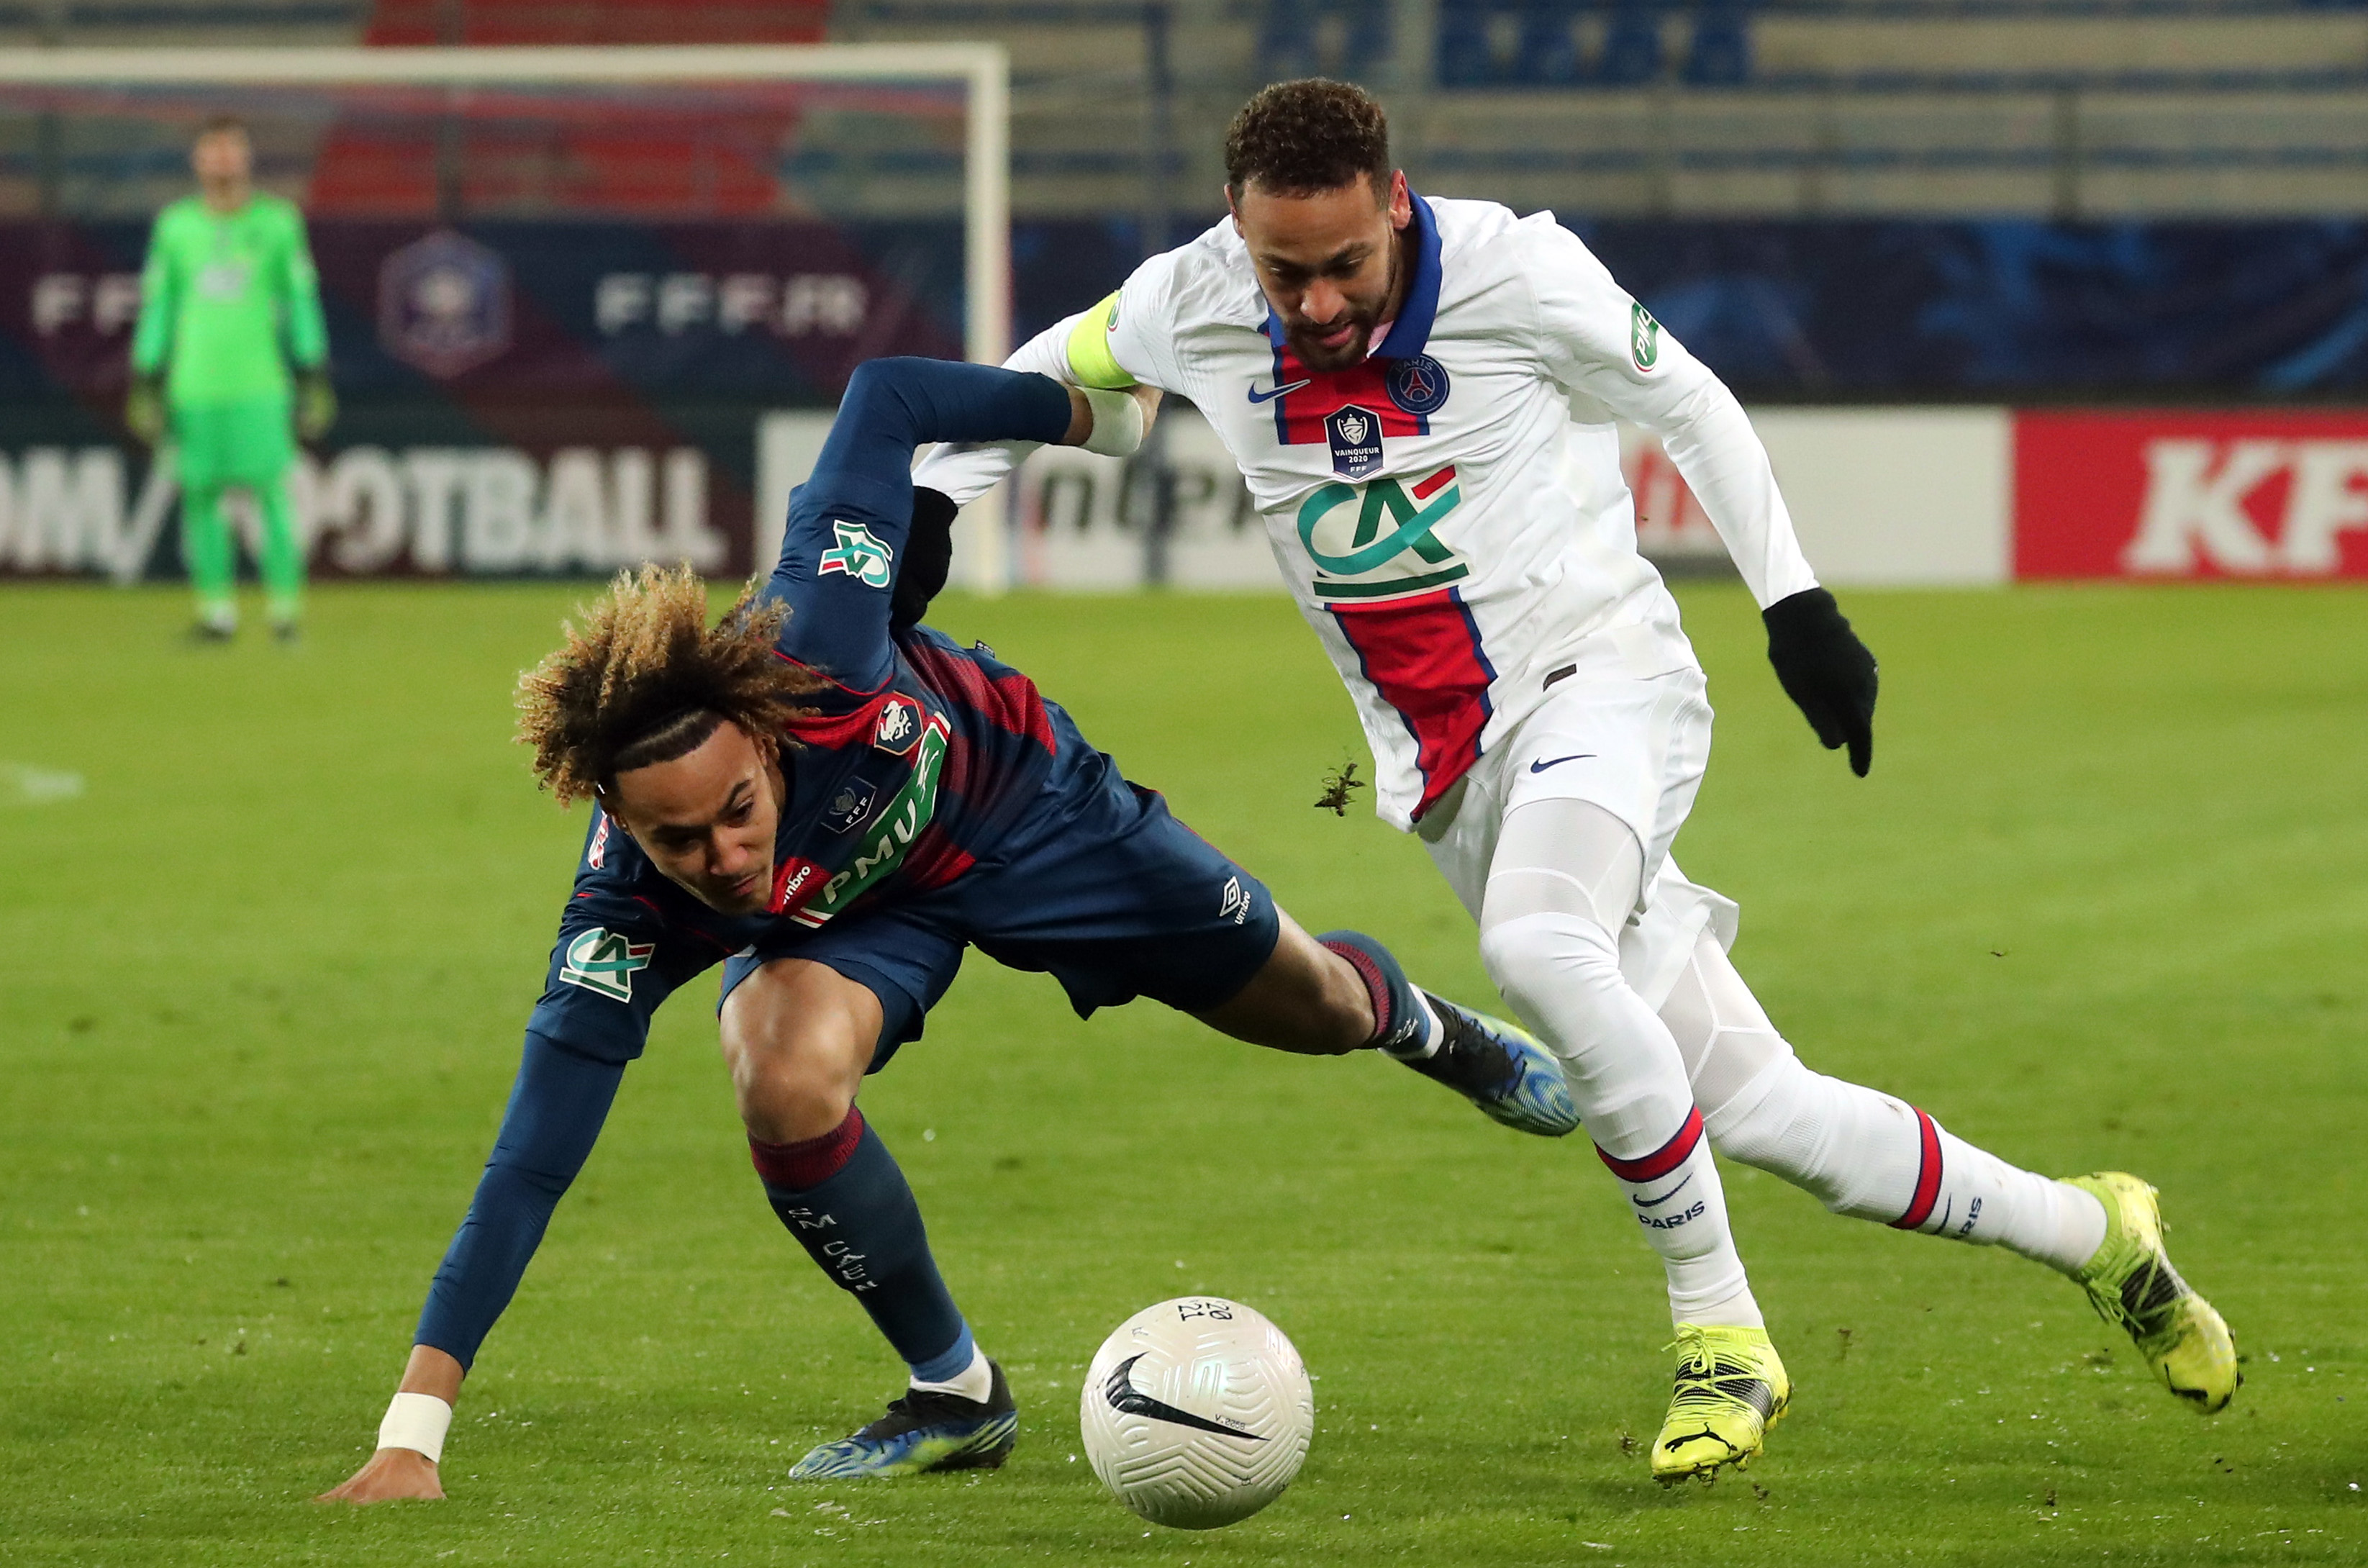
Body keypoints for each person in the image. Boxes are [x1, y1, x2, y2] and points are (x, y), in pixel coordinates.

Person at [912, 78, 2238, 1484]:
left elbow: (1695, 400)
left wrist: (1794, 606)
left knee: (1535, 943)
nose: (1307, 301)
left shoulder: (1515, 271)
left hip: (1602, 683)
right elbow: (1045, 375)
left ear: (1397, 207)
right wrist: (930, 504)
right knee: (1770, 1113)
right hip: (1450, 775)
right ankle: (2099, 1234)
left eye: (1342, 265)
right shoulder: (1191, 299)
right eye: (1278, 269)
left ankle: (1719, 1335)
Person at [316, 355, 1576, 1505]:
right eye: (677, 843)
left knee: (1320, 1012)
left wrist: (1093, 418)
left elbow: (886, 401)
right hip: (870, 919)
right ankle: (956, 1390)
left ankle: (1422, 1023)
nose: (724, 857)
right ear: (620, 824)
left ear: (761, 740)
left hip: (1031, 805)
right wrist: (412, 1429)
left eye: (737, 812)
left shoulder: (817, 634)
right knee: (775, 1059)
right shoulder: (621, 917)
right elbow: (529, 1161)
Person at [127, 114, 335, 643]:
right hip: (194, 386)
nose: (222, 160)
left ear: (246, 157)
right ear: (198, 160)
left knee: (271, 495)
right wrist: (147, 372)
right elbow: (160, 306)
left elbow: (299, 299)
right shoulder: (177, 227)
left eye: (230, 150)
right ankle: (217, 612)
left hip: (259, 384)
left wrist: (311, 367)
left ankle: (285, 613)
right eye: (212, 150)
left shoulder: (278, 223)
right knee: (200, 496)